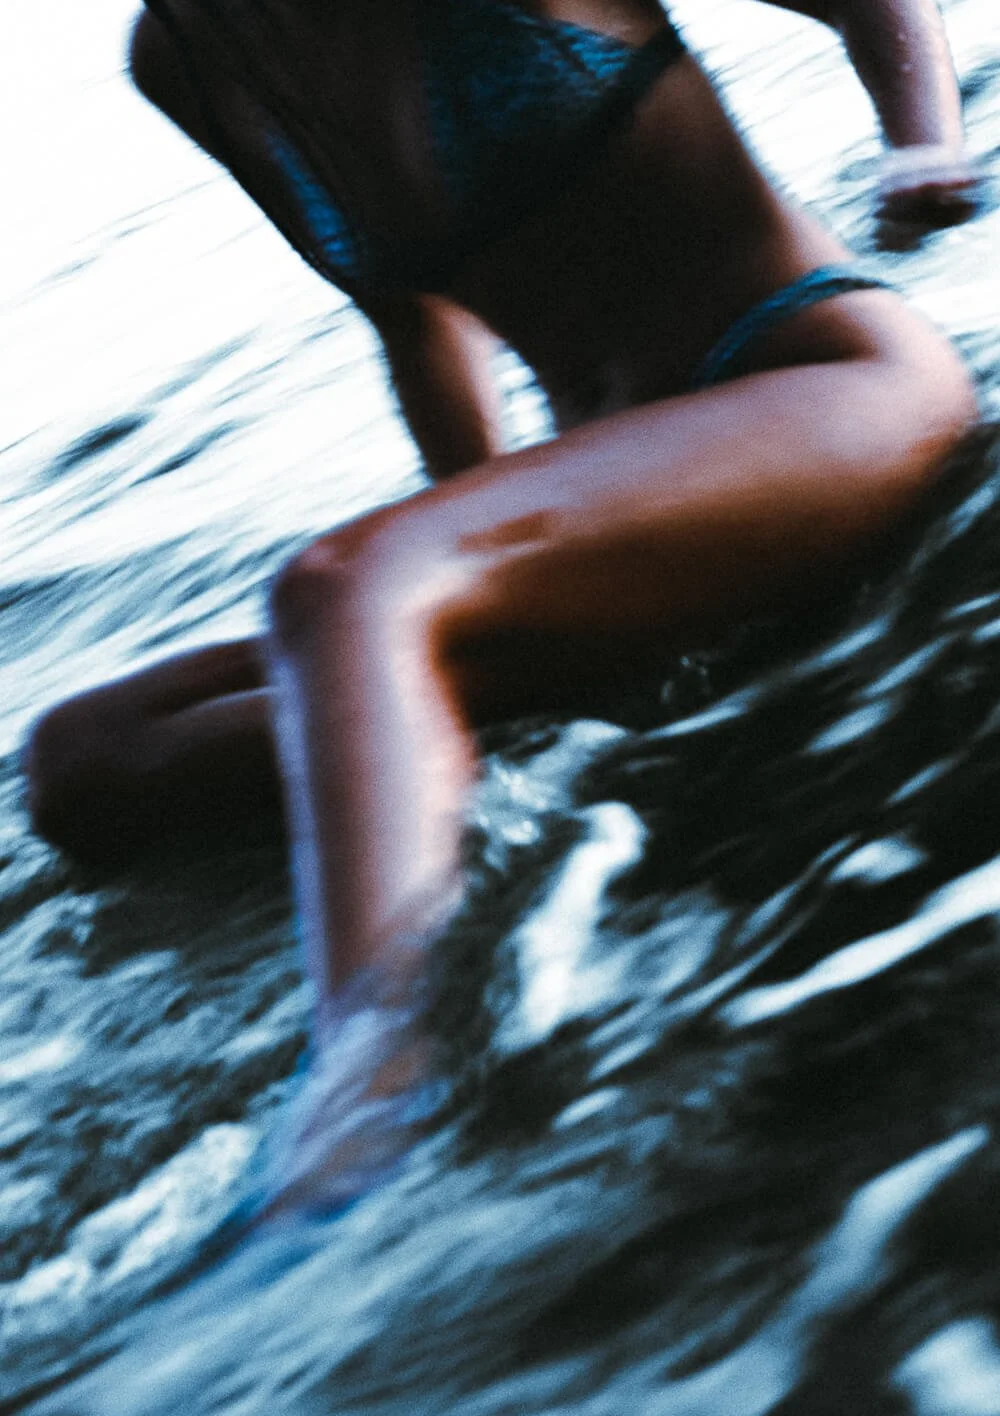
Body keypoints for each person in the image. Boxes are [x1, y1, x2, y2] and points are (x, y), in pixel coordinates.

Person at [25, 0, 981, 1214]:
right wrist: (462, 590)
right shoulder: (191, 57)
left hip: (811, 374)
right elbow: (416, 322)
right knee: (83, 758)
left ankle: (370, 1111)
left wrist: (921, 146)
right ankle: (451, 773)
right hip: (641, 494)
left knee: (344, 588)